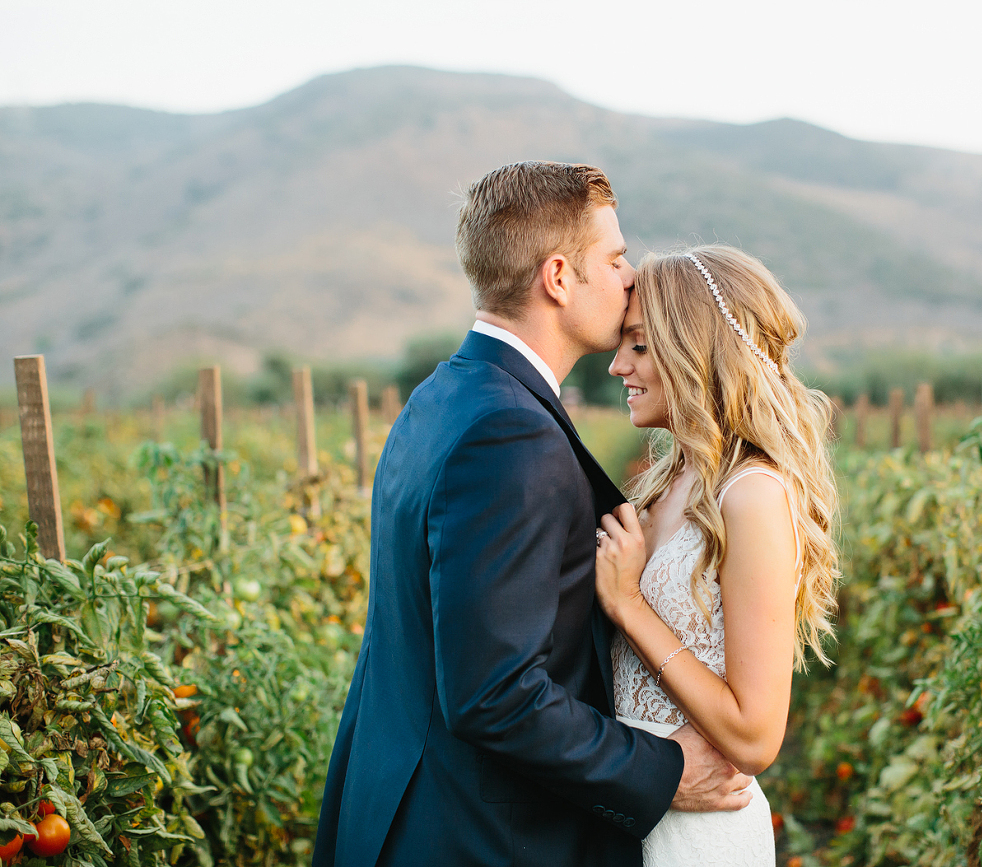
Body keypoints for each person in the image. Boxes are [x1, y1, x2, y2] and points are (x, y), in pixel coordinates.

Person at [312, 163, 752, 867]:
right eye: (612, 258)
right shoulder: (507, 434)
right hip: (475, 837)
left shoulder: (444, 395)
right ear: (557, 277)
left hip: (404, 807)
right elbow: (493, 691)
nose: (629, 275)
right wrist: (662, 769)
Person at [595, 245, 841, 865]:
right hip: (637, 807)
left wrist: (628, 604)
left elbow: (755, 738)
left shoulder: (751, 494)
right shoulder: (668, 478)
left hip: (701, 832)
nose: (617, 365)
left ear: (696, 350)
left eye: (641, 346)